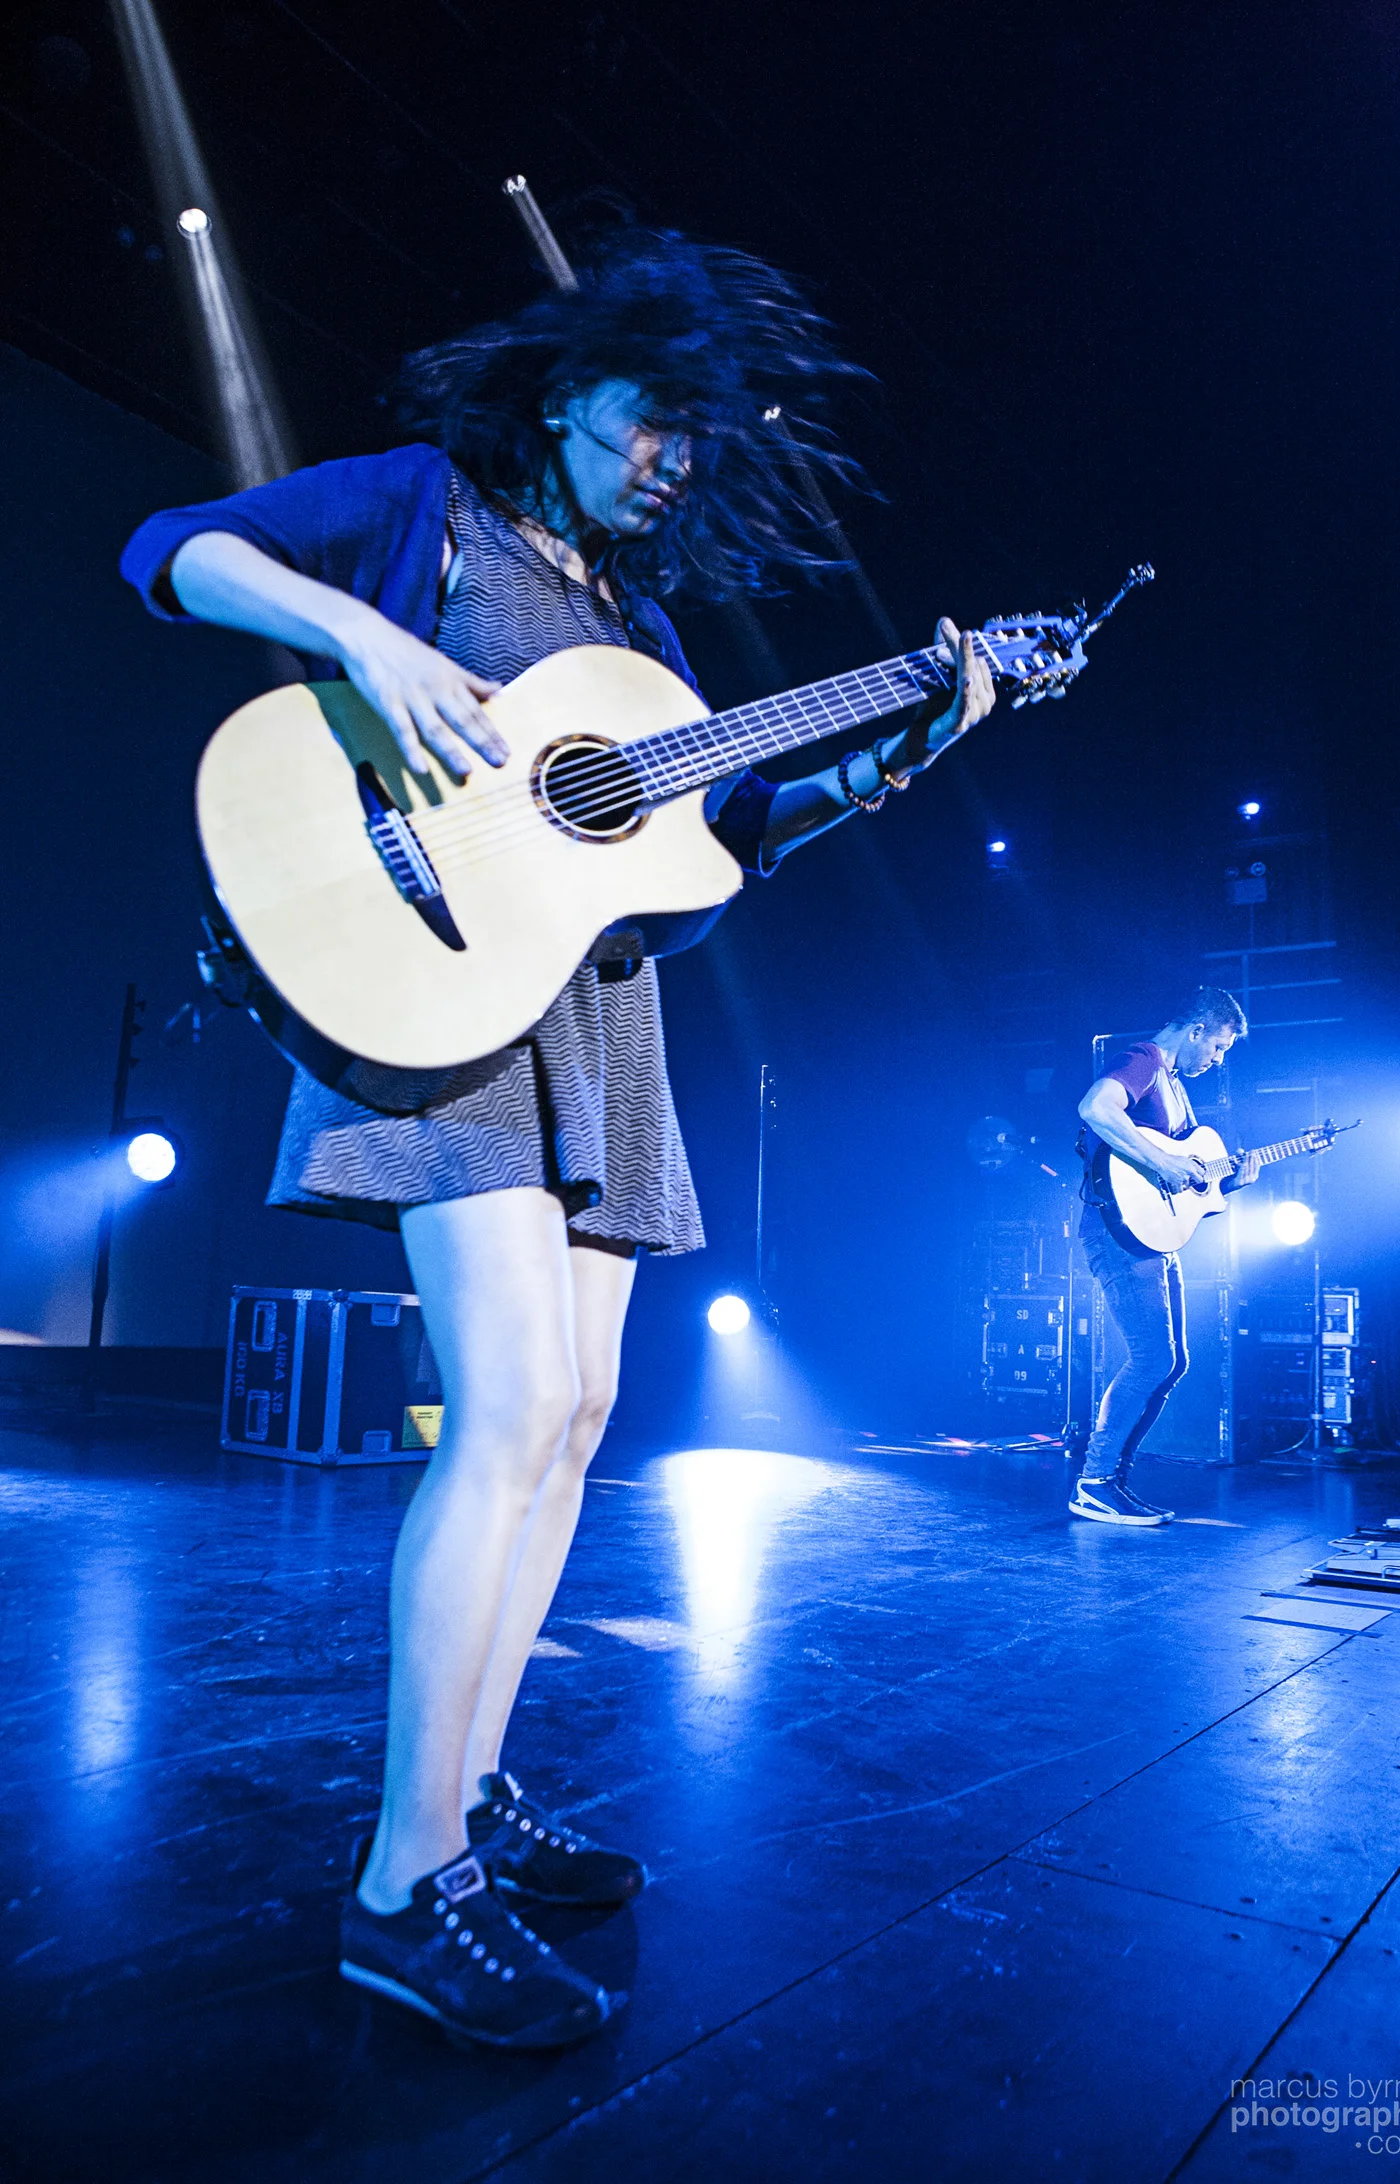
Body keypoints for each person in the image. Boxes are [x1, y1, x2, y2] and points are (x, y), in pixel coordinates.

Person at [121, 228, 995, 2049]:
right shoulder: (428, 508)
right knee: (511, 1410)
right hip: (439, 989)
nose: (673, 457)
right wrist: (368, 633)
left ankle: (471, 1783)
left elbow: (711, 848)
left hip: (594, 1021)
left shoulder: (645, 644)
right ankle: (402, 1881)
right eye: (651, 413)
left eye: (700, 437)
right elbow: (173, 548)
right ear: (574, 383)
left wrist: (882, 755)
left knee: (578, 1420)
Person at [1070, 986, 1257, 1528]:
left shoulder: (1174, 1086)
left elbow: (1184, 1181)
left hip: (1154, 1237)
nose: (1217, 1060)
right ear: (1197, 1030)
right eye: (1218, 1046)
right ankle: (1096, 1482)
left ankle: (1110, 1480)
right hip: (1118, 1236)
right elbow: (1094, 1108)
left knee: (1171, 1362)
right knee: (1153, 1358)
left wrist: (1228, 1182)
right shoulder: (1144, 1060)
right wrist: (1161, 1161)